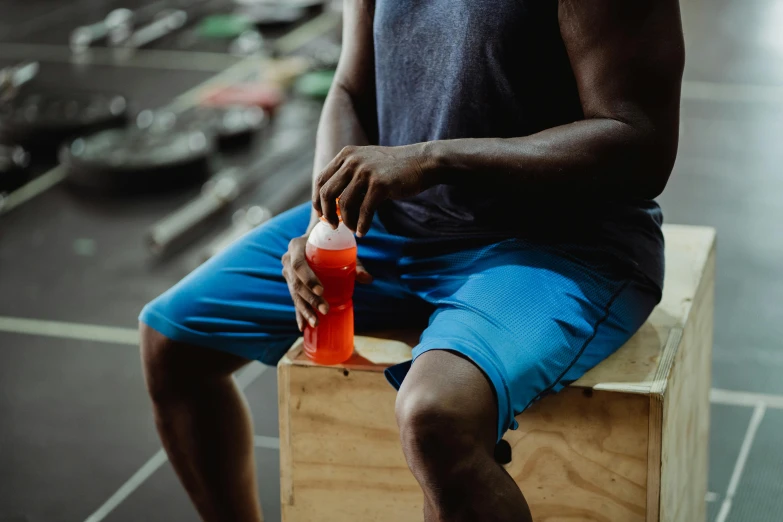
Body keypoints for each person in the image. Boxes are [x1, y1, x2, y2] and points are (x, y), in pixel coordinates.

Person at [139, 0, 685, 520]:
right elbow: (351, 89)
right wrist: (325, 225)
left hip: (556, 243)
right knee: (173, 339)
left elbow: (639, 141)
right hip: (393, 222)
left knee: (437, 416)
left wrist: (434, 157)